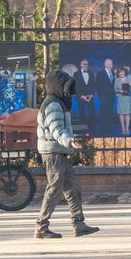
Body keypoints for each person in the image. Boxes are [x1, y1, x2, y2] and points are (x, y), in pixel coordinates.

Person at [35, 70, 100, 239]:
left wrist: (68, 140)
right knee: (54, 189)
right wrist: (68, 140)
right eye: (65, 87)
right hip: (53, 152)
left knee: (73, 188)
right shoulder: (53, 104)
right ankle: (41, 227)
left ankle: (79, 224)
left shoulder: (58, 103)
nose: (68, 91)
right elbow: (56, 128)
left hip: (59, 151)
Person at [73, 59, 96, 134]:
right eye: (84, 64)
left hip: (90, 97)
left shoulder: (91, 73)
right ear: (81, 65)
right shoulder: (76, 74)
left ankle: (92, 130)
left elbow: (93, 85)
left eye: (87, 64)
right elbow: (76, 86)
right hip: (81, 97)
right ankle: (83, 130)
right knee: (82, 113)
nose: (86, 65)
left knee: (92, 113)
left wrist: (91, 95)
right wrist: (83, 96)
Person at [95, 58, 116, 135]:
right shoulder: (100, 73)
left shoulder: (113, 73)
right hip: (103, 97)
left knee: (110, 113)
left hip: (111, 97)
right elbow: (98, 86)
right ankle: (103, 129)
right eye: (108, 64)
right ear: (105, 64)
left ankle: (108, 129)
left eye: (111, 64)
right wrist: (101, 96)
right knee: (103, 113)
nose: (110, 65)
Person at [114, 67, 131, 135]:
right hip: (121, 98)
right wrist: (120, 90)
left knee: (128, 113)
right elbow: (115, 89)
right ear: (118, 73)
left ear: (125, 72)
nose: (121, 73)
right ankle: (123, 128)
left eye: (122, 72)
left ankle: (127, 128)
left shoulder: (129, 77)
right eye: (120, 72)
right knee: (121, 113)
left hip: (128, 98)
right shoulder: (116, 80)